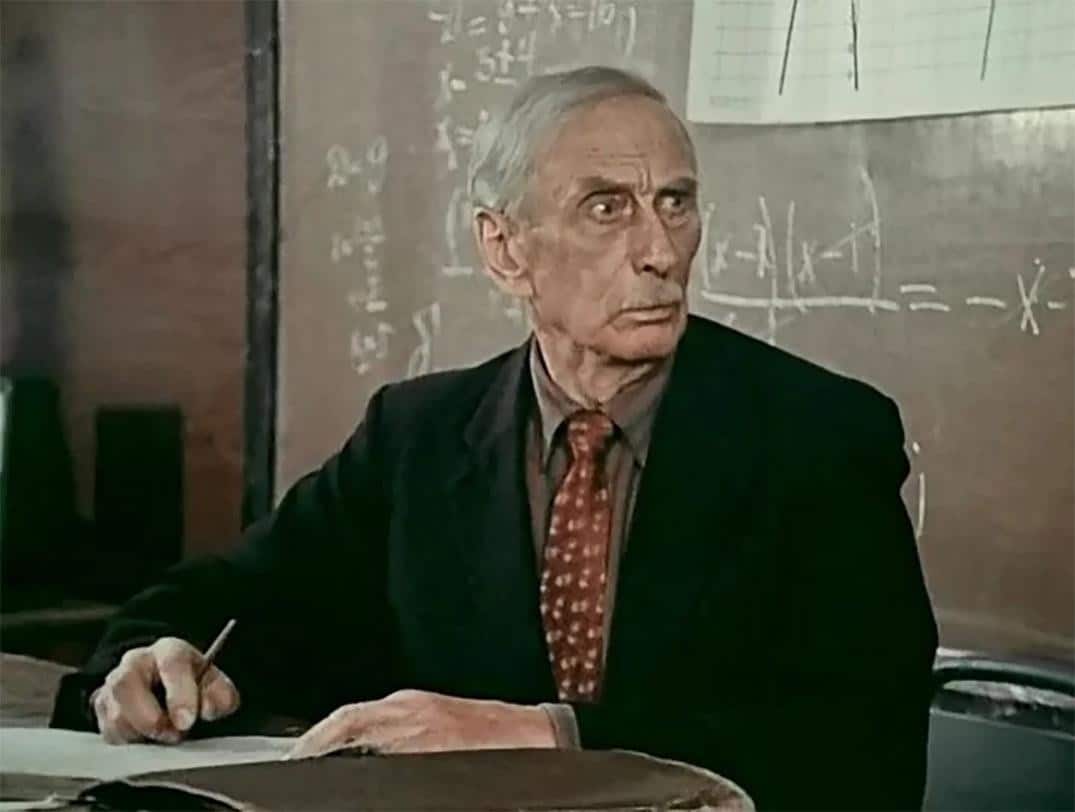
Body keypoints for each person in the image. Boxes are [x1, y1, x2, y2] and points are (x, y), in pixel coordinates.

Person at [52, 66, 937, 810]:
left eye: (675, 203)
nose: (661, 250)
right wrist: (156, 664)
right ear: (505, 249)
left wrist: (547, 732)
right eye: (606, 208)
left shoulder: (817, 436)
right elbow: (224, 605)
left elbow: (865, 747)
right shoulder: (418, 436)